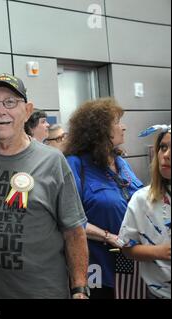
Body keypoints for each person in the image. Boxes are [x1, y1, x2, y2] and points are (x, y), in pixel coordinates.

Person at [0, 73, 89, 299]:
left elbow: (74, 232)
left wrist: (80, 289)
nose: (0, 111)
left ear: (27, 111)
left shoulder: (52, 161)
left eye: (10, 102)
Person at [64, 98, 144, 299]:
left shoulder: (121, 163)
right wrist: (109, 237)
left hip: (132, 263)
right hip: (96, 266)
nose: (123, 127)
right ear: (99, 130)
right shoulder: (75, 165)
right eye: (117, 122)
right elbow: (68, 219)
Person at [118, 125, 171, 299]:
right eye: (163, 147)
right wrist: (160, 252)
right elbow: (126, 248)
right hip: (158, 293)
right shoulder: (142, 199)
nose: (166, 155)